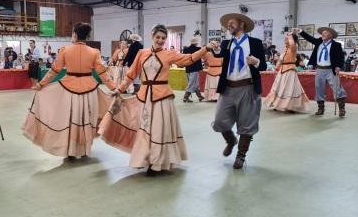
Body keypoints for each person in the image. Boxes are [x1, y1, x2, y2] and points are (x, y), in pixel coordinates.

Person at [100, 24, 214, 176]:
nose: (160, 40)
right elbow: (131, 74)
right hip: (144, 96)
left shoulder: (169, 54)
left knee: (158, 130)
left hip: (162, 98)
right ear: (152, 36)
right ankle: (146, 159)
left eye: (163, 38)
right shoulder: (142, 53)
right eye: (158, 37)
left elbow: (189, 59)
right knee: (145, 130)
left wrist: (205, 49)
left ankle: (156, 162)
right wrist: (119, 89)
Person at [23, 22, 116, 160]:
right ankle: (84, 149)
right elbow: (103, 73)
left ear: (75, 34)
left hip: (68, 88)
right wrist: (114, 88)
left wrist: (41, 84)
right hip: (89, 89)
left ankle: (70, 150)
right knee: (86, 117)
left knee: (70, 118)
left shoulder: (65, 50)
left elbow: (54, 71)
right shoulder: (94, 52)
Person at [212, 13, 267, 170]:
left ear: (241, 24)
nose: (229, 25)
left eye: (232, 23)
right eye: (228, 24)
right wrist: (216, 50)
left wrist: (256, 62)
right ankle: (231, 141)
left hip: (248, 87)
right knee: (220, 121)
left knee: (247, 124)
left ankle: (241, 155)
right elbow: (220, 55)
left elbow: (263, 65)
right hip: (228, 88)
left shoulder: (255, 43)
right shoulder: (226, 44)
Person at [295, 26, 347, 117]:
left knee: (337, 89)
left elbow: (340, 57)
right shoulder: (319, 42)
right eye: (322, 32)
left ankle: (342, 109)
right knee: (319, 89)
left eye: (325, 32)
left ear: (330, 35)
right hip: (319, 69)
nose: (323, 34)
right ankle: (320, 108)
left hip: (331, 69)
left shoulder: (336, 45)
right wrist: (300, 31)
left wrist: (338, 66)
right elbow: (309, 38)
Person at [263, 33, 310, 113]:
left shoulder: (294, 47)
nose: (285, 39)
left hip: (290, 70)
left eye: (287, 38)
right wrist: (276, 67)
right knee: (279, 87)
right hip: (282, 70)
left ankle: (290, 106)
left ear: (291, 39)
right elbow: (281, 59)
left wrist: (290, 35)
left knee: (290, 88)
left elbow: (292, 45)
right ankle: (277, 104)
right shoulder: (285, 48)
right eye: (286, 38)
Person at [183, 37, 205, 103]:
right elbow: (199, 61)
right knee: (192, 84)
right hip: (195, 69)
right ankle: (185, 97)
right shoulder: (198, 49)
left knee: (195, 84)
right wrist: (201, 68)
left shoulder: (185, 49)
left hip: (188, 68)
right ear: (196, 43)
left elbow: (184, 58)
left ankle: (200, 96)